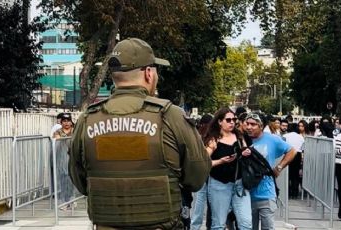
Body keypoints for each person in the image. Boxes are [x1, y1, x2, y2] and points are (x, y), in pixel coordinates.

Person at [68, 38, 212, 229]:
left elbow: (79, 180)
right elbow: (197, 177)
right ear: (148, 73)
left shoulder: (87, 119)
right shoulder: (170, 115)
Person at [245, 113, 296, 230]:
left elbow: (291, 151)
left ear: (261, 126)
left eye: (253, 124)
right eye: (247, 124)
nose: (249, 127)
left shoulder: (271, 139)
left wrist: (279, 167)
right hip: (246, 194)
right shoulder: (243, 139)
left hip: (266, 193)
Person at [204, 107, 252, 230]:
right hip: (219, 184)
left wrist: (246, 153)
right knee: (218, 224)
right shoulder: (213, 139)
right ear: (220, 121)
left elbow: (246, 152)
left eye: (234, 119)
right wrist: (220, 161)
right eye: (228, 120)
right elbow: (203, 162)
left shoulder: (239, 136)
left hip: (239, 183)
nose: (232, 122)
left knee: (246, 223)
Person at [190, 114, 213, 230]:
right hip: (208, 173)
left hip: (201, 173)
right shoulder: (209, 138)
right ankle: (201, 225)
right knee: (206, 201)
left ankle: (195, 226)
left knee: (200, 201)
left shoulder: (196, 135)